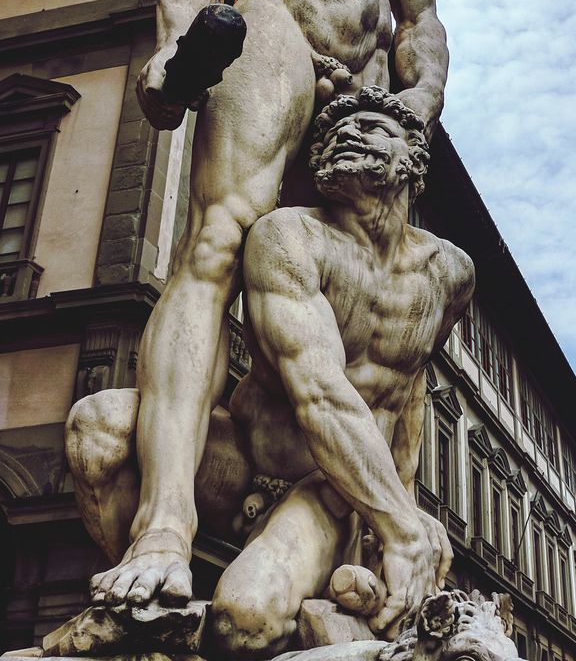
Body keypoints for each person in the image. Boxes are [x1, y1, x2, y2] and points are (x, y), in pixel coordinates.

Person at [100, 0, 450, 607]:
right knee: (217, 246)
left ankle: (351, 550)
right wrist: (175, 50)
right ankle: (167, 523)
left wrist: (422, 103)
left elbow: (421, 28)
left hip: (364, 98)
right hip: (272, 37)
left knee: (362, 315)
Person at [68, 88, 473, 654]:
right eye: (337, 129)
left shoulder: (450, 272)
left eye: (374, 125)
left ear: (415, 158)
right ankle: (149, 613)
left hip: (331, 487)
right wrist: (404, 528)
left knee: (246, 618)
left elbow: (411, 391)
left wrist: (401, 513)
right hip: (242, 462)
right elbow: (320, 393)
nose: (350, 132)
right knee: (100, 425)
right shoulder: (288, 236)